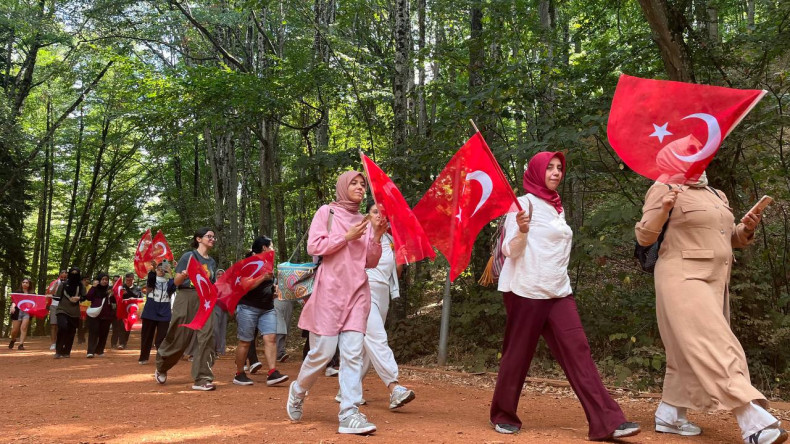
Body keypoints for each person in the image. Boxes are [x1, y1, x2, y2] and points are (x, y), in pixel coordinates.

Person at [490, 152, 640, 440]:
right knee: (517, 355)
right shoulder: (522, 204)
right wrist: (522, 230)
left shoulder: (557, 207)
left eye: (560, 168)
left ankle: (607, 421)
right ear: (536, 171)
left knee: (579, 352)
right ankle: (503, 414)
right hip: (526, 291)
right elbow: (510, 250)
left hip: (558, 291)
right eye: (550, 168)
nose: (556, 172)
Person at [636, 172, 787, 444]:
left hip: (717, 280)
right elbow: (645, 236)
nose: (699, 161)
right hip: (681, 276)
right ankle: (752, 419)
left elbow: (728, 238)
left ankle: (670, 413)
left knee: (687, 348)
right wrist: (663, 208)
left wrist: (746, 230)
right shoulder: (664, 187)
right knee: (714, 345)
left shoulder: (716, 194)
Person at [286, 170, 387, 435]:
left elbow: (370, 262)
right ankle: (298, 390)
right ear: (342, 186)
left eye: (362, 184)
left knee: (353, 353)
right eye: (354, 182)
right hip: (329, 291)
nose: (359, 187)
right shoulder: (326, 213)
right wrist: (347, 236)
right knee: (323, 353)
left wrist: (375, 237)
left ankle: (349, 412)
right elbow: (314, 246)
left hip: (357, 292)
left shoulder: (366, 221)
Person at [335, 203, 415, 409]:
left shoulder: (389, 239)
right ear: (367, 216)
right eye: (374, 212)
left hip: (383, 293)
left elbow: (394, 275)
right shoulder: (360, 236)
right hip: (363, 289)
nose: (380, 215)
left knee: (366, 348)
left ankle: (347, 389)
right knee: (377, 338)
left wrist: (400, 257)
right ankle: (394, 387)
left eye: (383, 212)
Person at [155, 227, 218, 391]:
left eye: (214, 237)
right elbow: (175, 282)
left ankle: (202, 378)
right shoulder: (188, 256)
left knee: (206, 337)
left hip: (205, 300)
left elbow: (211, 282)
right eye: (209, 236)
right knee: (179, 337)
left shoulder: (211, 262)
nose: (212, 239)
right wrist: (182, 275)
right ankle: (162, 364)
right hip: (186, 297)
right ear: (198, 239)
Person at [233, 236, 288, 387]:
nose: (273, 248)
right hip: (248, 307)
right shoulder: (248, 264)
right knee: (245, 341)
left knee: (270, 338)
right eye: (271, 245)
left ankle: (272, 373)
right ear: (264, 248)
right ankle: (239, 374)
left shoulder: (268, 263)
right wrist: (263, 278)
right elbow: (245, 286)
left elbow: (267, 285)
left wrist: (273, 290)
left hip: (267, 308)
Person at [139, 261, 176, 364]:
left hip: (164, 312)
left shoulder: (168, 281)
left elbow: (173, 287)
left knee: (162, 337)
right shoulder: (152, 280)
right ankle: (143, 357)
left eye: (163, 269)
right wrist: (153, 268)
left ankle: (161, 356)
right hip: (150, 311)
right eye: (159, 269)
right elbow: (151, 278)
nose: (161, 271)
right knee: (147, 336)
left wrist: (171, 273)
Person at [54, 267, 86, 358]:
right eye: (72, 273)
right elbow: (57, 297)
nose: (74, 275)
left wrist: (79, 298)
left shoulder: (81, 286)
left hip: (74, 312)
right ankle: (58, 350)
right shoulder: (63, 284)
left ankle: (67, 351)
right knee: (62, 327)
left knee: (71, 331)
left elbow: (84, 297)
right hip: (62, 309)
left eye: (76, 273)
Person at [85, 273, 114, 358]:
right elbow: (88, 297)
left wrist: (112, 295)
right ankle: (90, 351)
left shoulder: (110, 289)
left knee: (104, 333)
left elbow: (114, 301)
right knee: (93, 332)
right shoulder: (95, 288)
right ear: (99, 280)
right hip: (95, 314)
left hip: (107, 314)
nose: (105, 281)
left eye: (106, 280)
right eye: (103, 279)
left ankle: (100, 350)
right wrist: (93, 287)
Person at [112, 273, 141, 350]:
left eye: (130, 280)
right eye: (127, 280)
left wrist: (127, 291)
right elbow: (116, 295)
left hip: (131, 311)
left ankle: (124, 342)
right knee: (121, 326)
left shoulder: (137, 288)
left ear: (133, 280)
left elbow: (136, 296)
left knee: (128, 327)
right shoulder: (121, 287)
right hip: (122, 310)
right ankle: (121, 343)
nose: (128, 282)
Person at [8, 277, 34, 350]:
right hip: (17, 312)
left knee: (24, 328)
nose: (25, 284)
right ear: (21, 284)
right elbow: (14, 301)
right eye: (23, 282)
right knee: (14, 330)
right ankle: (13, 340)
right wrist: (12, 307)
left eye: (26, 283)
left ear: (29, 284)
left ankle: (21, 344)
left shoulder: (32, 294)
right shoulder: (17, 292)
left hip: (27, 312)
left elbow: (35, 303)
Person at [46, 270, 68, 351]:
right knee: (53, 324)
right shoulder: (54, 282)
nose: (63, 279)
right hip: (54, 304)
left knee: (62, 325)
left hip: (65, 305)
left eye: (65, 277)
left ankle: (62, 342)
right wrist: (56, 285)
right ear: (59, 276)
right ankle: (53, 343)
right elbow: (50, 293)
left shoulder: (69, 283)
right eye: (62, 277)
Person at [213, 269, 228, 356]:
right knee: (215, 329)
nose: (220, 276)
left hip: (224, 309)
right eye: (218, 274)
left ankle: (221, 350)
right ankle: (214, 349)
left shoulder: (227, 286)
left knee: (222, 329)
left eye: (222, 274)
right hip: (215, 308)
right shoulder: (213, 285)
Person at [274, 296, 293, 362]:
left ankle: (280, 352)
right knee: (279, 327)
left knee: (284, 328)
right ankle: (279, 353)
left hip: (287, 300)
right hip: (277, 300)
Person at [77, 277, 93, 344]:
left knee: (87, 324)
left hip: (89, 308)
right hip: (80, 307)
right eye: (84, 280)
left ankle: (83, 335)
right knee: (79, 324)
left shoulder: (92, 287)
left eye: (87, 280)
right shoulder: (78, 287)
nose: (86, 281)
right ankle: (80, 338)